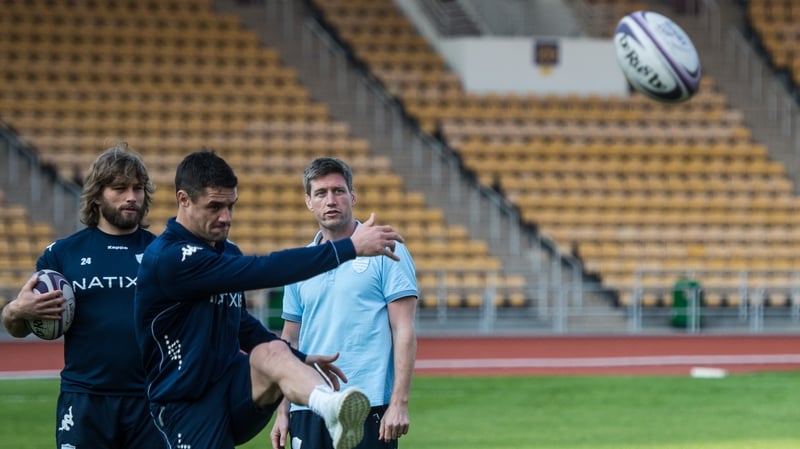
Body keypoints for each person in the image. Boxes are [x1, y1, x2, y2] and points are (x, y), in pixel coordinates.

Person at [133, 150, 406, 449]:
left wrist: (298, 359)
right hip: (186, 403)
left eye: (230, 206)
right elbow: (261, 270)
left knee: (272, 350)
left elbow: (241, 324)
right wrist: (348, 248)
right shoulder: (169, 258)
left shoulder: (226, 250)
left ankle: (332, 408)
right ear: (183, 200)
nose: (226, 217)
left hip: (233, 388)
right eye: (214, 206)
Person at [1, 143, 163, 448]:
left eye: (138, 188)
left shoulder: (162, 253)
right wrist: (15, 311)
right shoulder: (62, 254)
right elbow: (19, 327)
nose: (132, 197)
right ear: (98, 195)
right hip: (85, 400)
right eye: (119, 188)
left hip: (150, 400)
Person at [270, 157, 418, 449]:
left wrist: (398, 403)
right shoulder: (300, 263)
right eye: (321, 193)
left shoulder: (386, 250)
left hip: (369, 403)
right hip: (309, 404)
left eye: (338, 191)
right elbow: (290, 341)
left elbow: (404, 330)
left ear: (353, 196)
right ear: (308, 202)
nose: (331, 200)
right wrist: (283, 410)